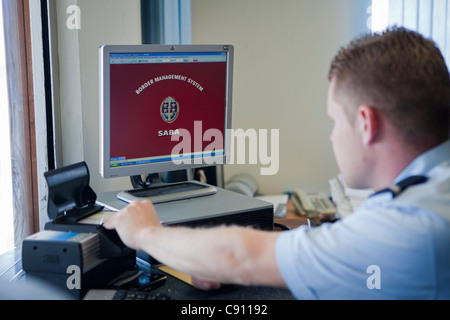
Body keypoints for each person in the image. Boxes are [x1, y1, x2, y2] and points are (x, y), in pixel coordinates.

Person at [104, 27, 450, 299]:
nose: (332, 136)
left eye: (334, 121)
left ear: (365, 123)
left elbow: (239, 258)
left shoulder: (409, 230)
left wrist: (145, 233)